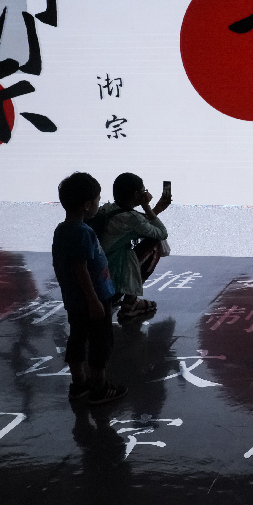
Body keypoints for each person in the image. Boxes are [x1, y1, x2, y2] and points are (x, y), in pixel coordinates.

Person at [52, 172, 127, 404]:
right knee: (100, 341)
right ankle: (99, 387)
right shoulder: (83, 233)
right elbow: (80, 268)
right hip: (94, 298)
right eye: (97, 200)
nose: (99, 204)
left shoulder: (61, 230)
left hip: (74, 299)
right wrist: (93, 300)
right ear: (87, 205)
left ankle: (79, 384)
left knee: (77, 337)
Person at [96, 173, 170, 321]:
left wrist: (156, 209)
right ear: (137, 195)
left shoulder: (108, 208)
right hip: (111, 280)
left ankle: (124, 298)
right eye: (143, 191)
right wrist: (146, 206)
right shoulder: (132, 218)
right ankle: (130, 302)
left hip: (98, 276)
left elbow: (141, 223)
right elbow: (162, 233)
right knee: (154, 244)